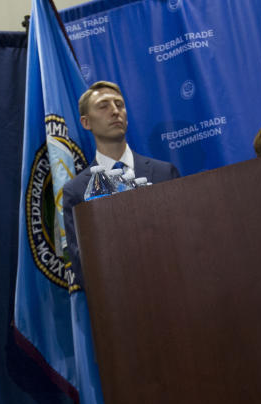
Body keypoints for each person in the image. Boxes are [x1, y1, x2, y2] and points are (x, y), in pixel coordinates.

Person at [62, 80, 180, 284]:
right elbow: (83, 267)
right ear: (86, 122)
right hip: (117, 301)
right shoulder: (76, 191)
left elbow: (185, 238)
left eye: (119, 104)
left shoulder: (164, 173)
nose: (115, 111)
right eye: (103, 106)